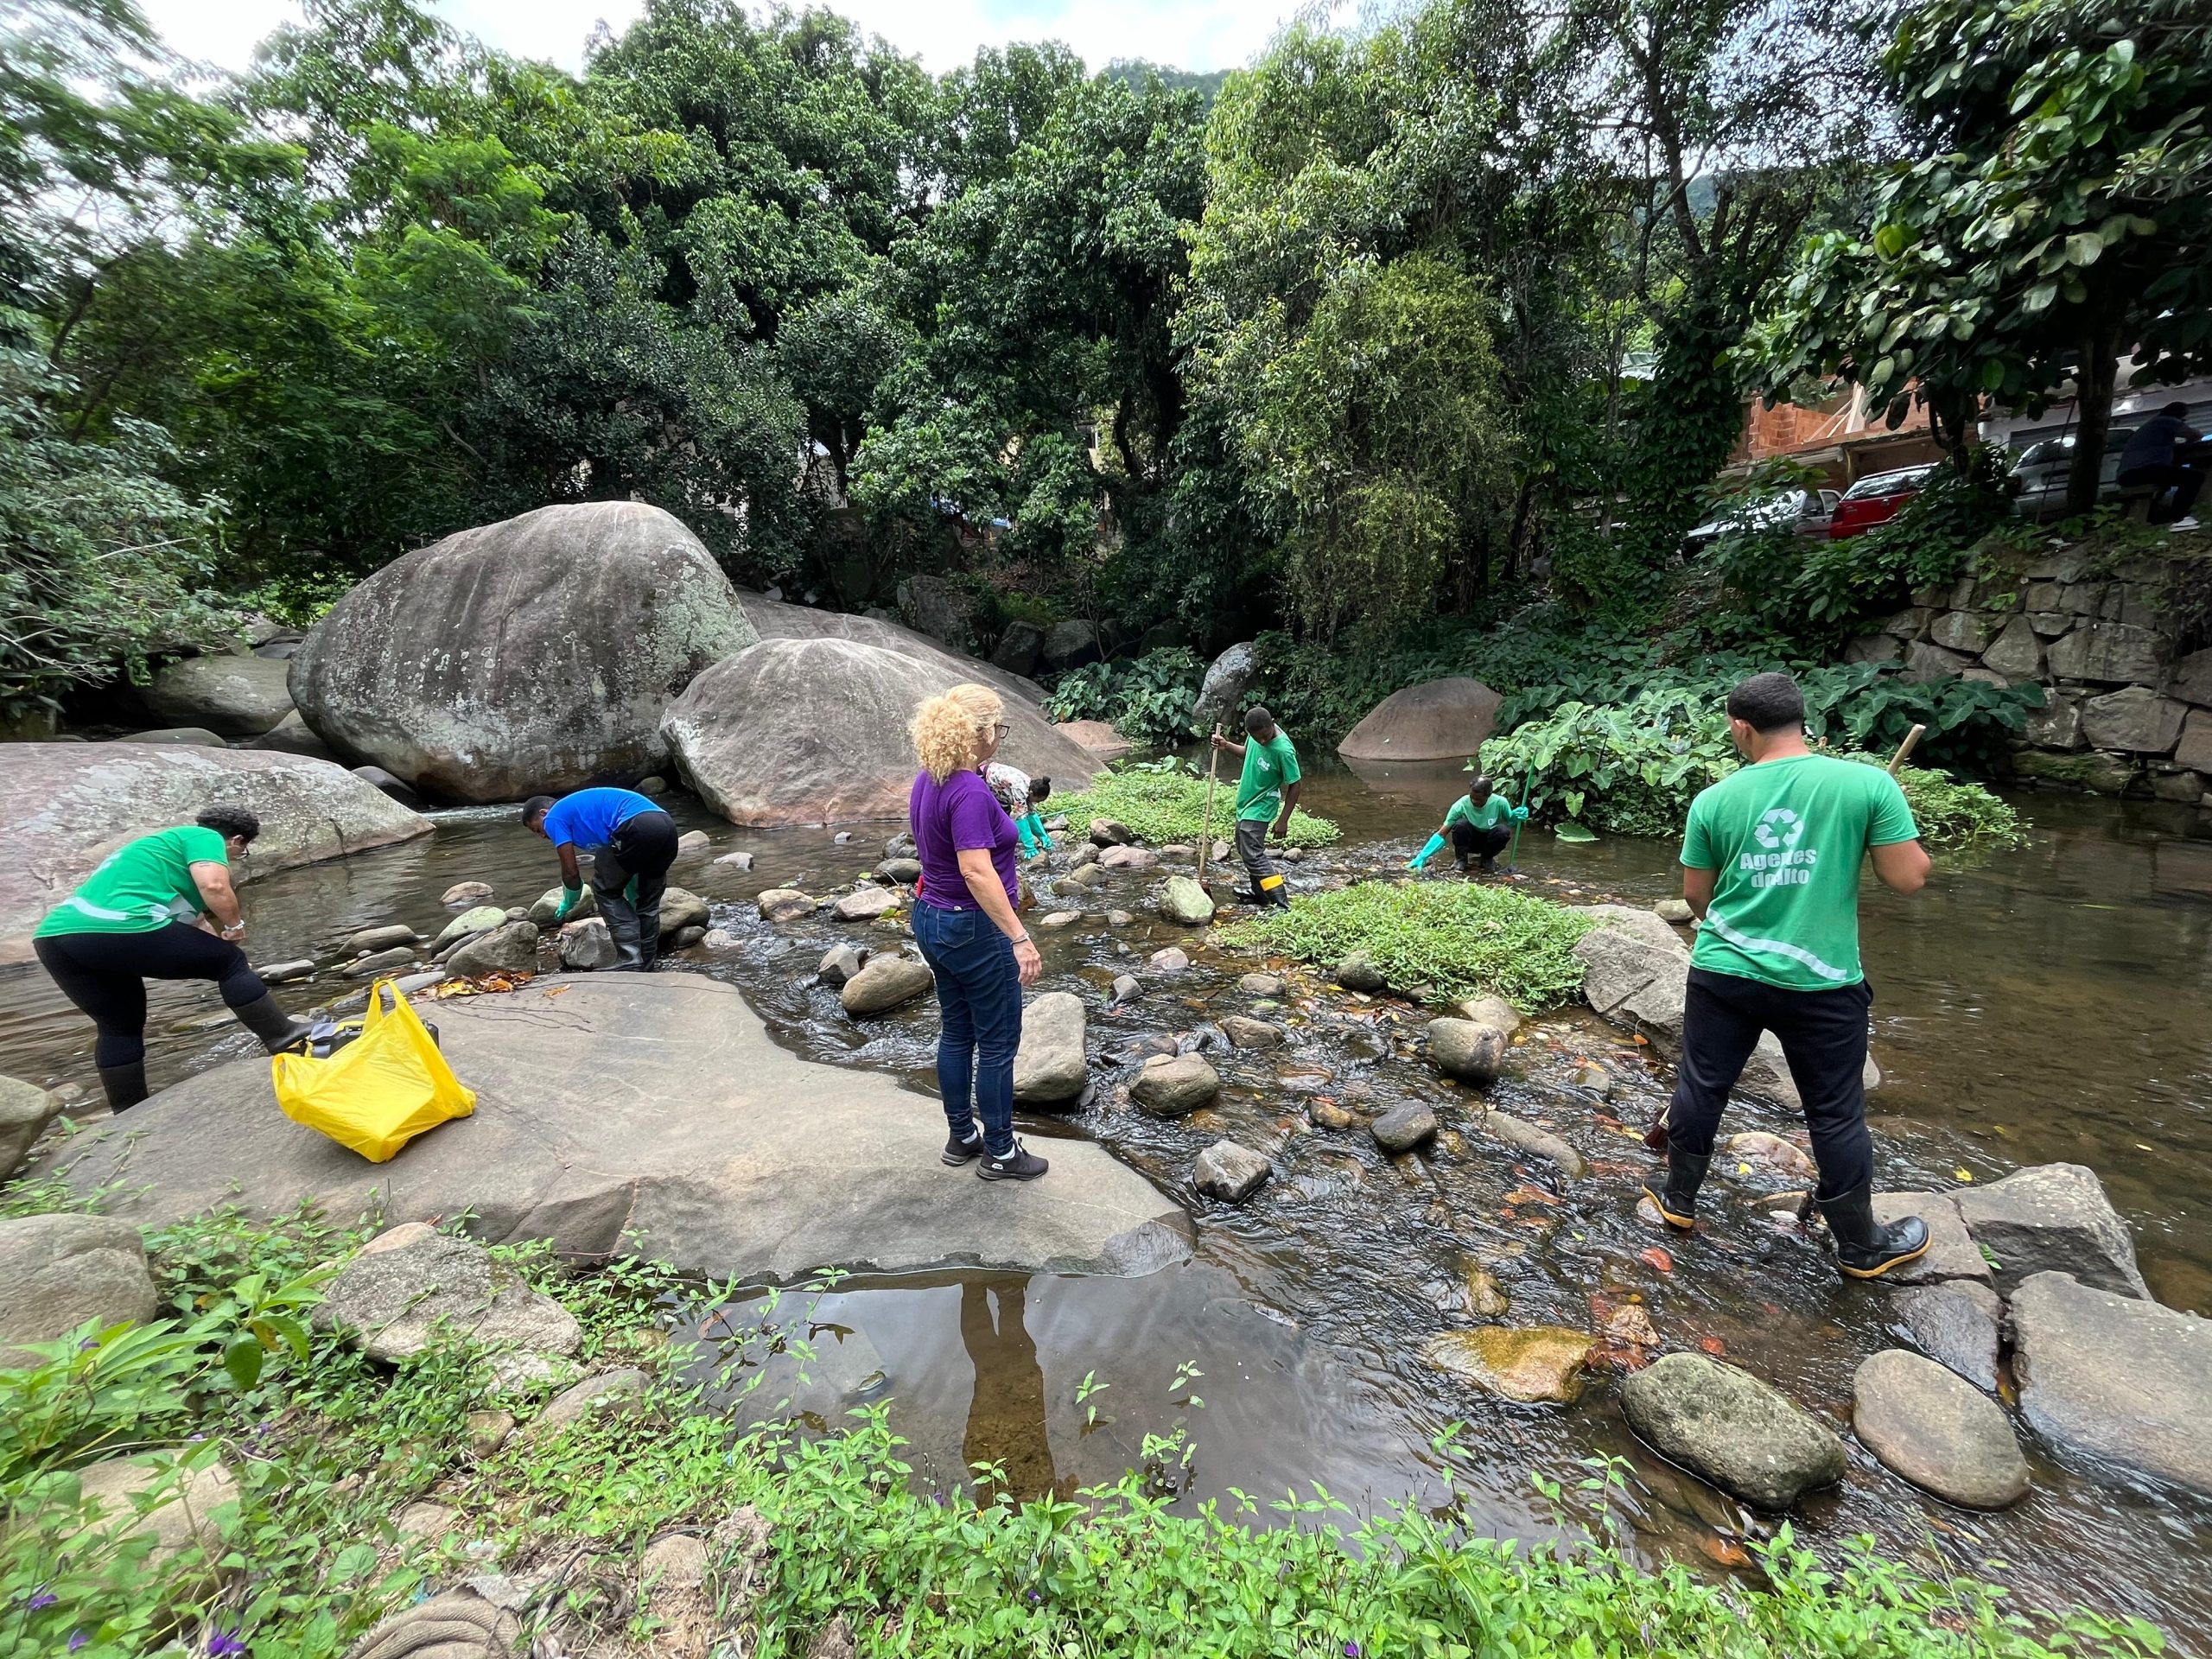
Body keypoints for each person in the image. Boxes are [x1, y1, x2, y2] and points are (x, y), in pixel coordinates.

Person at [1649, 671, 1935, 1281]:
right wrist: (1873, 830)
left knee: (1703, 1085)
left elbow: (1697, 899)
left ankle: (1678, 1203)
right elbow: (1908, 879)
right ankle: (1860, 1247)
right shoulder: (1866, 786)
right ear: (1802, 720)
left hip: (1725, 971)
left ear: (1740, 728)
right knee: (1834, 1112)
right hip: (1823, 982)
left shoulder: (1714, 800)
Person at [33, 806, 308, 1111]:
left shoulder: (158, 853)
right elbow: (214, 885)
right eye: (239, 852)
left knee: (118, 1025)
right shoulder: (203, 837)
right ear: (237, 841)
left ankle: (129, 1110)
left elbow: (192, 926)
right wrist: (235, 928)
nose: (232, 858)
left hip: (55, 938)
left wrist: (215, 944)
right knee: (229, 962)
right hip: (117, 925)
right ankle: (283, 1036)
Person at [909, 683, 1049, 1181]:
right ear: (982, 731)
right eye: (1000, 728)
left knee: (957, 1031)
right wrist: (1019, 937)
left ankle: (961, 1135)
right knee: (996, 1042)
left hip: (932, 918)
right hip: (974, 926)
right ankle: (1001, 1152)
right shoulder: (967, 790)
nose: (1000, 738)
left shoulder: (929, 778)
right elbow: (976, 869)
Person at [522, 785, 677, 971]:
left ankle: (630, 958)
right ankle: (646, 964)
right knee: (646, 903)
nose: (542, 835)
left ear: (543, 812)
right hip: (666, 828)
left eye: (537, 828)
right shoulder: (581, 811)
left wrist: (570, 900)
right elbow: (625, 866)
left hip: (637, 825)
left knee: (604, 890)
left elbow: (571, 871)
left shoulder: (554, 816)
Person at [1211, 706, 1300, 909]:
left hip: (1261, 806)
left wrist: (1283, 819)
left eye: (1265, 736)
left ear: (1272, 724)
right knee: (1244, 849)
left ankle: (1281, 903)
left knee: (1254, 854)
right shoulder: (1256, 735)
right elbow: (1249, 752)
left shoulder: (1283, 750)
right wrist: (1226, 745)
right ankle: (1259, 892)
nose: (1262, 741)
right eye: (1256, 737)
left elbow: (1295, 784)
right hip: (1246, 802)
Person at [1411, 776, 1528, 874]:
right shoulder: (1461, 805)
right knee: (1461, 825)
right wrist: (1422, 856)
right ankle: (1461, 859)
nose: (1475, 802)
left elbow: (1510, 821)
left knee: (1503, 831)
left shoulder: (1500, 802)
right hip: (1469, 841)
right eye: (1473, 798)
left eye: (1479, 799)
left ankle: (1487, 859)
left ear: (1488, 796)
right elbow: (1442, 833)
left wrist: (1517, 816)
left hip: (1489, 841)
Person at [2115, 402, 2205, 528]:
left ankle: (2163, 515)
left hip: (2129, 474)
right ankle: (2178, 517)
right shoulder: (2166, 421)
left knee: (2174, 476)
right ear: (2179, 415)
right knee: (2195, 477)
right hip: (2140, 470)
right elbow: (2195, 435)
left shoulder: (2152, 426)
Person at [985, 761, 1054, 860]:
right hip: (986, 778)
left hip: (999, 782)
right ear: (1032, 793)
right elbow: (1021, 818)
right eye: (1038, 800)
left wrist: (1043, 836)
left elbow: (1031, 813)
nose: (1037, 803)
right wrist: (1029, 846)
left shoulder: (1031, 786)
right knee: (1000, 817)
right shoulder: (1020, 790)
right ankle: (994, 847)